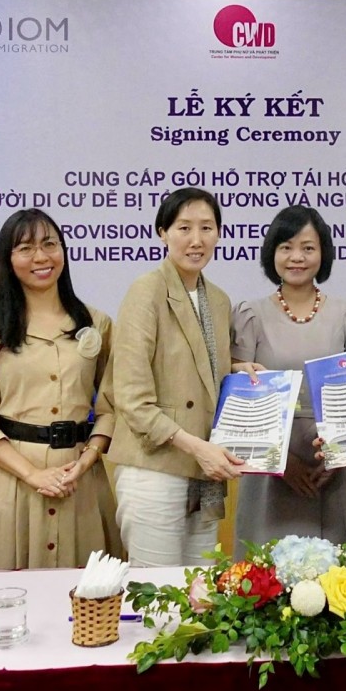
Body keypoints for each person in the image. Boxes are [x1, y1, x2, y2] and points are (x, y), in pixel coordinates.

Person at [0, 209, 123, 568]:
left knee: (88, 604)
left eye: (50, 244)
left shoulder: (98, 324)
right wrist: (33, 474)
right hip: (10, 483)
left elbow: (113, 405)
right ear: (8, 259)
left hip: (81, 480)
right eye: (26, 248)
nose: (41, 257)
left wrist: (87, 459)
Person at [104, 188, 255, 567]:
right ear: (162, 232)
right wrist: (197, 448)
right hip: (154, 467)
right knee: (156, 597)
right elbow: (132, 400)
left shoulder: (217, 299)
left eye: (207, 228)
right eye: (184, 227)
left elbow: (199, 372)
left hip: (203, 471)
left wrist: (238, 371)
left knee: (199, 596)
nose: (196, 239)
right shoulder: (146, 291)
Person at [231, 205, 346, 554]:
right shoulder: (251, 315)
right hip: (268, 465)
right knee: (264, 576)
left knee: (338, 580)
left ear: (323, 253)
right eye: (286, 247)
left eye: (308, 248)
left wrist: (337, 456)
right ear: (271, 252)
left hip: (332, 464)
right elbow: (241, 401)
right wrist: (282, 464)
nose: (297, 257)